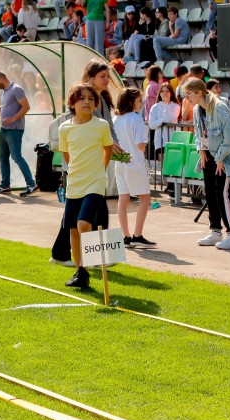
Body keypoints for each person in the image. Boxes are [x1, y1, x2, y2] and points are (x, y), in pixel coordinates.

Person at [58, 83, 114, 288]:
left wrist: (100, 169)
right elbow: (67, 155)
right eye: (82, 98)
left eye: (91, 99)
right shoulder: (64, 128)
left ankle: (88, 266)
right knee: (72, 228)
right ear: (72, 103)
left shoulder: (101, 125)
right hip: (74, 183)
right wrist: (76, 170)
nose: (87, 102)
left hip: (95, 183)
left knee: (83, 223)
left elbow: (108, 150)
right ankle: (80, 272)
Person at [184, 78, 230, 250]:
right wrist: (201, 150)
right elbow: (199, 133)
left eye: (188, 94)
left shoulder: (219, 108)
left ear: (199, 92)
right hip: (209, 156)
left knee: (222, 194)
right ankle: (215, 231)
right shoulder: (197, 109)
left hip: (225, 158)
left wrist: (219, 158)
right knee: (210, 193)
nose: (186, 97)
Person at [0, 71, 38, 196]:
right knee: (3, 157)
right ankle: (5, 185)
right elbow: (4, 107)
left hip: (14, 129)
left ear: (0, 79)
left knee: (17, 157)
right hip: (4, 129)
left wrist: (12, 119)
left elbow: (26, 107)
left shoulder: (16, 89)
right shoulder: (6, 91)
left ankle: (31, 184)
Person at [113, 88, 156, 248]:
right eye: (139, 100)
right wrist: (142, 149)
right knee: (145, 199)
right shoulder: (136, 118)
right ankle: (137, 235)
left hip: (120, 161)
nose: (142, 103)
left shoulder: (116, 118)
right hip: (135, 162)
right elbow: (140, 144)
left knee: (123, 199)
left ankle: (126, 236)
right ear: (131, 102)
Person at [147, 82, 180, 158]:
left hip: (172, 139)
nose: (165, 93)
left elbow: (170, 120)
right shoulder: (155, 107)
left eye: (167, 91)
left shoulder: (176, 106)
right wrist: (162, 121)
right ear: (159, 93)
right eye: (162, 91)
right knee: (163, 163)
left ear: (171, 93)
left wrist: (165, 105)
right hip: (159, 140)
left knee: (171, 161)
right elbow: (151, 125)